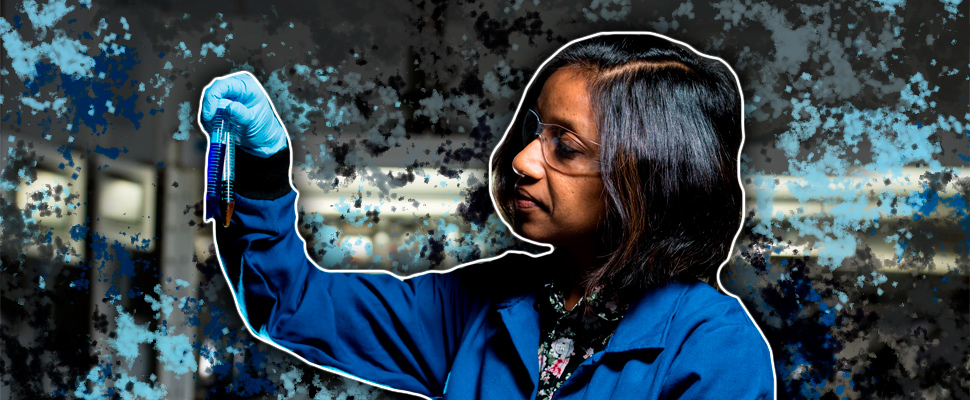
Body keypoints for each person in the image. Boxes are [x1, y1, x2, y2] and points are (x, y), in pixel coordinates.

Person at [199, 32, 776, 399]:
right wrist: (261, 167)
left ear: (653, 177)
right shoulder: (485, 305)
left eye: (565, 146)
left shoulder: (712, 348)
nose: (523, 159)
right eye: (534, 132)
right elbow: (294, 305)